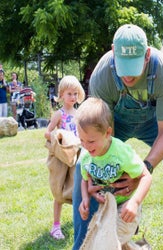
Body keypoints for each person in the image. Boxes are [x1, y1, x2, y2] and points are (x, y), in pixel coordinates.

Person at [72, 23, 163, 249]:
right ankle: (84, 243)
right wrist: (97, 176)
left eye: (134, 66)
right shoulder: (102, 77)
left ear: (147, 54)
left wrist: (143, 170)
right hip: (113, 124)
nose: (129, 75)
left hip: (154, 123)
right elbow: (102, 135)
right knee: (84, 169)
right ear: (113, 51)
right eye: (123, 66)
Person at [76, 97, 152, 248]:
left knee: (107, 241)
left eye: (91, 141)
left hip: (126, 207)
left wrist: (134, 202)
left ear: (107, 133)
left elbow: (146, 176)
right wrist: (85, 198)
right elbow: (85, 179)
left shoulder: (120, 152)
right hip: (105, 208)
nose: (86, 146)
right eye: (81, 140)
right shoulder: (86, 156)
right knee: (105, 240)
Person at [44, 75, 85, 240]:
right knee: (59, 192)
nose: (73, 97)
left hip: (75, 156)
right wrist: (58, 136)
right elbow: (47, 132)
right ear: (61, 94)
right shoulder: (59, 114)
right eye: (69, 94)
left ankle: (80, 223)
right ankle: (56, 226)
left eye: (75, 93)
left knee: (77, 189)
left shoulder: (79, 113)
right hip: (62, 158)